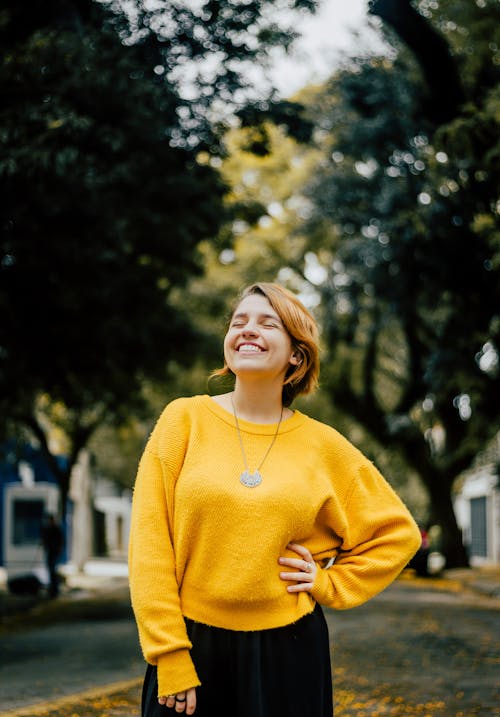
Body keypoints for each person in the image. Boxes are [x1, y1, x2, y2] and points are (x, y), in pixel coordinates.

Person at [129, 282, 421, 717]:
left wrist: (328, 583)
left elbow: (398, 534)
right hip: (192, 646)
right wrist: (168, 652)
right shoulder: (183, 420)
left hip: (290, 648)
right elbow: (150, 544)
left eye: (267, 323)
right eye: (238, 322)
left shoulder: (325, 445)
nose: (247, 330)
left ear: (296, 355)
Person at [40, 513, 64, 598]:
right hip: (51, 552)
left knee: (52, 571)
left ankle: (54, 590)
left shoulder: (55, 529)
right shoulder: (50, 529)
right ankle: (53, 589)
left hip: (53, 553)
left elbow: (60, 542)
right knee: (51, 571)